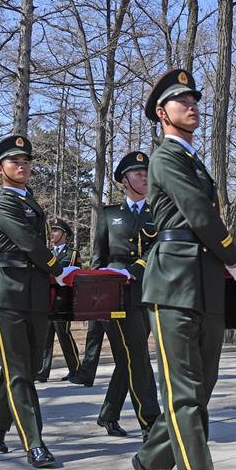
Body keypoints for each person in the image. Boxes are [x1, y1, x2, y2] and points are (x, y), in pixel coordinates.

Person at [130, 68, 236, 470]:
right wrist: (232, 256)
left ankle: (149, 457)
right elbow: (198, 212)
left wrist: (223, 264)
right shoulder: (166, 157)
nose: (193, 106)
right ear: (163, 113)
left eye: (196, 100)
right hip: (175, 284)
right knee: (185, 396)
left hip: (206, 283)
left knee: (200, 390)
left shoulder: (194, 160)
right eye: (183, 101)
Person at [0, 135, 78, 467]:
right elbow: (25, 240)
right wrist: (57, 268)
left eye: (26, 162)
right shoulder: (3, 203)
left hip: (36, 292)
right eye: (14, 162)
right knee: (20, 372)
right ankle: (34, 442)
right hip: (8, 291)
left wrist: (50, 273)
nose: (22, 167)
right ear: (0, 170)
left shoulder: (33, 203)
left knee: (27, 368)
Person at [90, 152, 161, 439]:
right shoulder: (110, 214)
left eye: (147, 174)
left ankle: (108, 413)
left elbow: (159, 249)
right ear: (124, 180)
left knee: (129, 357)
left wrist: (138, 268)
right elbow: (98, 258)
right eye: (138, 174)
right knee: (137, 356)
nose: (144, 178)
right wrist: (95, 298)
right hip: (115, 296)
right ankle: (151, 422)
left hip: (147, 289)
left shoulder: (157, 211)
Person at [36, 218, 82, 383]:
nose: (52, 234)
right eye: (51, 231)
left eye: (55, 231)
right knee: (45, 336)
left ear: (64, 234)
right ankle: (42, 371)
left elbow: (63, 272)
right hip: (46, 299)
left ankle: (75, 369)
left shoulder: (72, 254)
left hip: (63, 300)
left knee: (64, 335)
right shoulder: (46, 252)